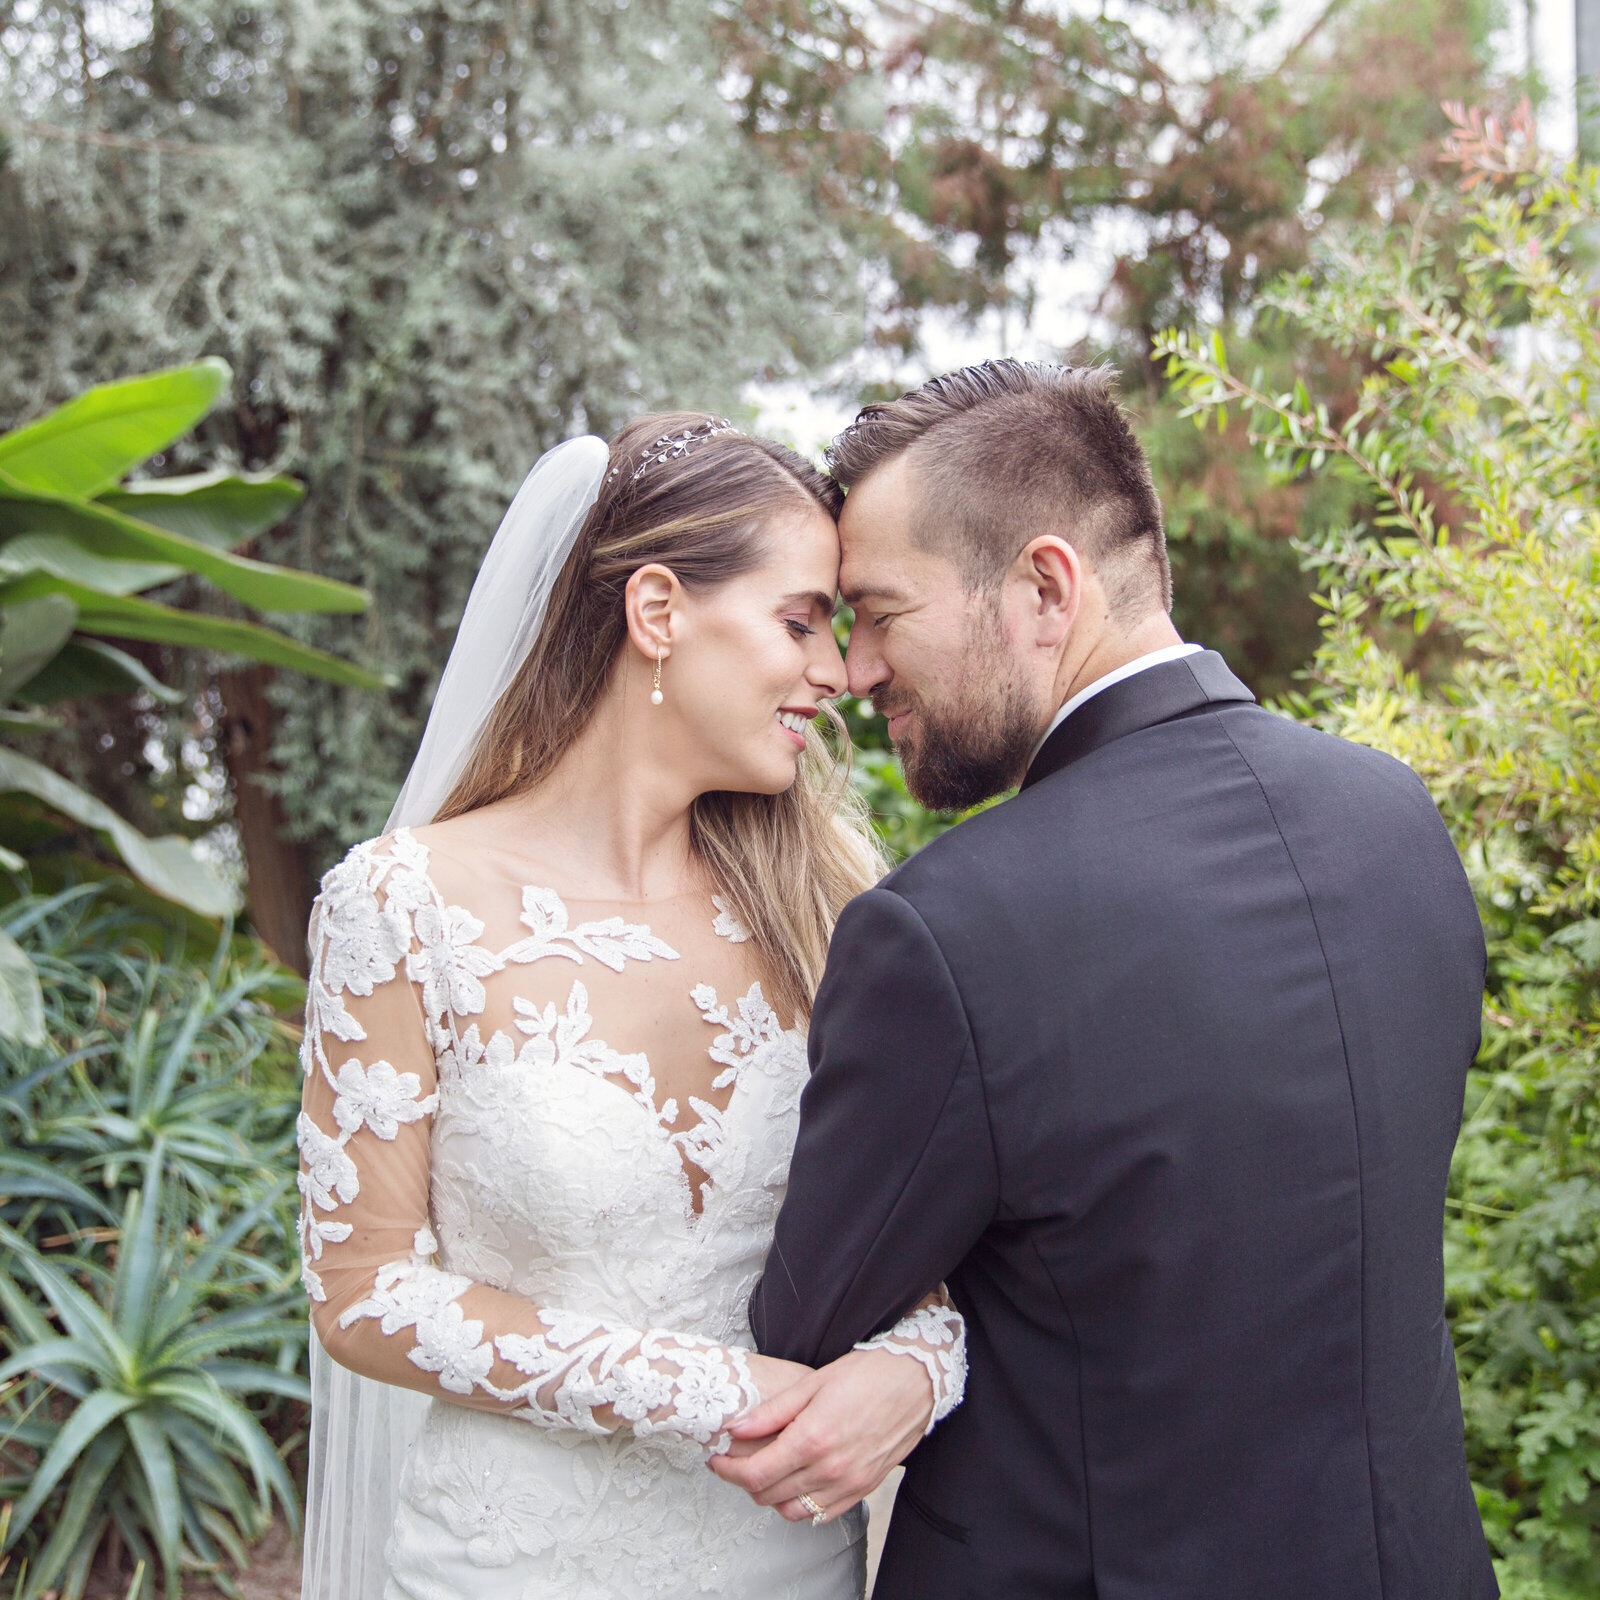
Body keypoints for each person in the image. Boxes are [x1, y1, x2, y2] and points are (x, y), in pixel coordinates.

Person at [716, 361, 1498, 1599]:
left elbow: (805, 1322)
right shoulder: (1395, 818)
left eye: (878, 611)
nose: (858, 670)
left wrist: (923, 1354)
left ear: (1043, 586)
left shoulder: (946, 930)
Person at [295, 417, 966, 1600]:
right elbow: (363, 1293)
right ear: (656, 611)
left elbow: (925, 1244)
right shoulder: (403, 904)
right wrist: (711, 1392)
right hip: (506, 1569)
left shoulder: (838, 909)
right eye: (800, 620)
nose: (839, 670)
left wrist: (919, 1367)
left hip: (787, 1562)